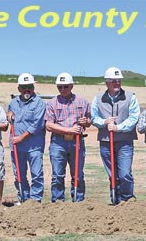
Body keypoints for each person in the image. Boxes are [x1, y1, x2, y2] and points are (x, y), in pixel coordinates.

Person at [91, 66, 140, 205]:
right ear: (107, 82)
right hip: (106, 142)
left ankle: (127, 199)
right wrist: (104, 122)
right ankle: (116, 200)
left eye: (119, 80)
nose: (117, 83)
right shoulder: (98, 99)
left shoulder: (131, 97)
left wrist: (118, 127)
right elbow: (94, 118)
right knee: (113, 174)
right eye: (113, 81)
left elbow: (133, 118)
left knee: (124, 174)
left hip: (125, 141)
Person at [45, 72, 92, 202]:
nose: (62, 89)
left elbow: (89, 121)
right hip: (58, 143)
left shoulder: (82, 101)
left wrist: (85, 122)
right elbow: (49, 125)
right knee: (57, 175)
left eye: (65, 86)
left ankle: (78, 201)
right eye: (60, 87)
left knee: (78, 175)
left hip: (77, 142)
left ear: (71, 86)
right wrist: (68, 130)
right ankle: (58, 202)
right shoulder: (52, 104)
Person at [7, 73, 46, 203]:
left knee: (36, 175)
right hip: (17, 147)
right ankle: (23, 199)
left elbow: (37, 125)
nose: (27, 89)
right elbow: (10, 117)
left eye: (29, 86)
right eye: (24, 87)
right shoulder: (13, 103)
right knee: (19, 175)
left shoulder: (39, 103)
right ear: (19, 88)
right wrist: (9, 115)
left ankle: (35, 201)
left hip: (34, 146)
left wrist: (21, 138)